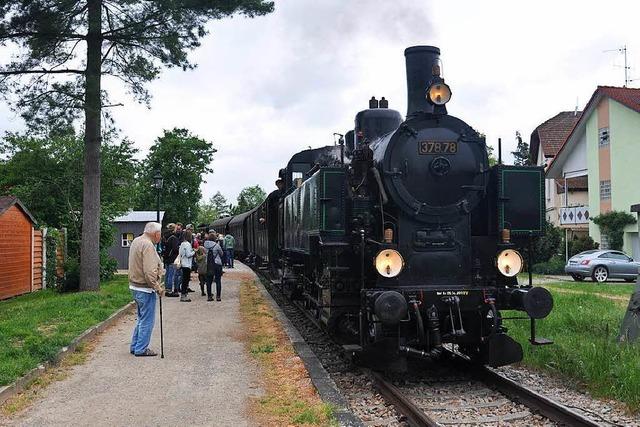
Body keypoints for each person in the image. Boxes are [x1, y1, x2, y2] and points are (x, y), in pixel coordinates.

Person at [128, 222, 164, 357]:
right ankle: (141, 348)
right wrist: (157, 287)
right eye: (160, 234)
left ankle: (135, 346)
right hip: (145, 288)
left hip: (135, 286)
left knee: (141, 318)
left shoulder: (137, 241)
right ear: (156, 234)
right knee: (147, 320)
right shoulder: (148, 245)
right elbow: (149, 271)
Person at [161, 223, 180, 297]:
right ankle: (170, 291)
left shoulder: (164, 237)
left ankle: (167, 289)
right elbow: (175, 249)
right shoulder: (173, 238)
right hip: (172, 258)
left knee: (167, 274)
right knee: (171, 275)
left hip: (166, 257)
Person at [205, 233, 224, 301]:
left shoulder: (205, 245)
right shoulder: (217, 245)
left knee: (209, 281)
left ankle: (209, 296)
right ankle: (218, 296)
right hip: (217, 264)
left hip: (208, 264)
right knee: (218, 280)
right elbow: (221, 254)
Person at [179, 230, 196, 302]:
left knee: (184, 280)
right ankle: (183, 295)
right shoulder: (188, 244)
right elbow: (188, 254)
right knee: (186, 281)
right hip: (187, 264)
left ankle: (184, 294)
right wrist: (194, 251)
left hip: (183, 263)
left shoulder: (182, 244)